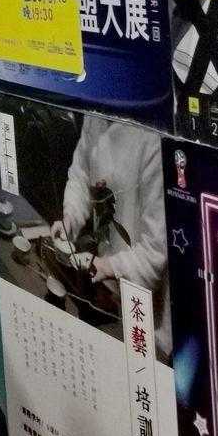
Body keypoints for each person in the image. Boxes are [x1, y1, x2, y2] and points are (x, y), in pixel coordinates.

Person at [50, 114, 172, 359]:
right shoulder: (96, 116)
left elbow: (156, 252)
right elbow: (81, 175)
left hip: (149, 312)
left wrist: (108, 266)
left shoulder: (153, 136)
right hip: (108, 292)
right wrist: (70, 218)